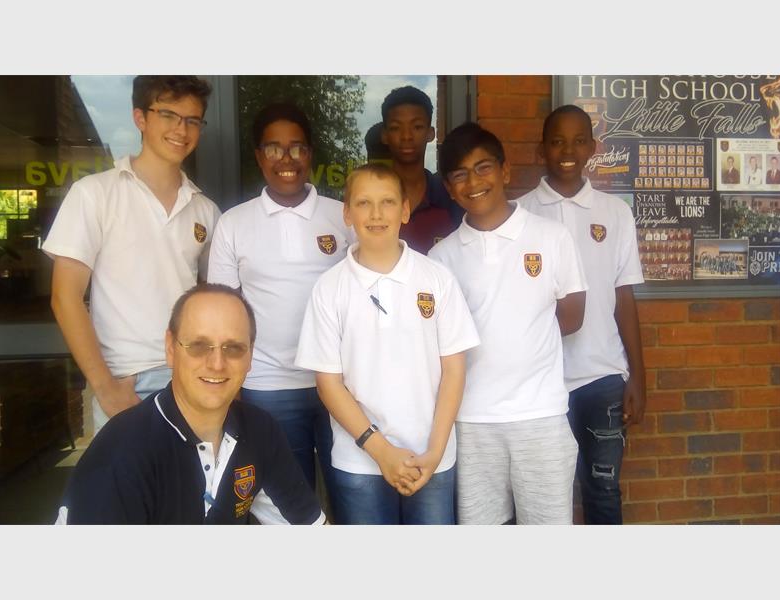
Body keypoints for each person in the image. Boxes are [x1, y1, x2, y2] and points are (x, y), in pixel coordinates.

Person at [295, 163, 479, 524]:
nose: (376, 214)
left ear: (405, 210)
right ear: (347, 213)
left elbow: (454, 371)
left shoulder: (438, 279)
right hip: (360, 461)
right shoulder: (329, 288)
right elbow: (328, 382)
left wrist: (435, 451)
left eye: (388, 202)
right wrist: (381, 452)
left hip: (431, 457)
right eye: (363, 203)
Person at [56, 283, 325, 524]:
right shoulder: (121, 455)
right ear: (170, 349)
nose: (217, 364)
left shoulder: (260, 431)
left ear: (250, 355)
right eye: (198, 346)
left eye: (233, 348)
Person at [43, 76, 221, 434]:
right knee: (126, 474)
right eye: (168, 115)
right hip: (128, 381)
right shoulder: (94, 194)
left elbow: (215, 297)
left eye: (192, 120)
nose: (181, 129)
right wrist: (105, 387)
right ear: (140, 118)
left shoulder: (205, 210)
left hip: (194, 375)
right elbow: (65, 297)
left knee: (197, 474)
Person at [429, 123, 586, 525]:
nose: (473, 182)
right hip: (471, 419)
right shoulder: (442, 258)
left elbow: (571, 315)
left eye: (483, 168)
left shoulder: (551, 237)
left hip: (540, 415)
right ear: (449, 188)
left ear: (505, 171)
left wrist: (522, 337)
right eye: (460, 174)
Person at [207, 103, 352, 501]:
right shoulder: (233, 223)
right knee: (290, 504)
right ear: (258, 156)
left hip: (341, 382)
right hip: (268, 386)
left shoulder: (344, 217)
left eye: (297, 148)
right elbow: (223, 314)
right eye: (273, 149)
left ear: (310, 154)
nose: (286, 159)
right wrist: (232, 386)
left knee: (352, 495)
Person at [519, 105, 646, 525]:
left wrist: (637, 376)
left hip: (602, 379)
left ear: (594, 147)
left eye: (578, 141)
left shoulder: (615, 213)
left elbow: (624, 296)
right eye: (557, 141)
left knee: (603, 490)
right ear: (541, 150)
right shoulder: (519, 214)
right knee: (538, 495)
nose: (568, 151)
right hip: (538, 382)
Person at [381, 85, 463, 254]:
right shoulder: (370, 197)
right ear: (385, 136)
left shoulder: (451, 196)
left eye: (417, 127)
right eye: (396, 128)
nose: (406, 136)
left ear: (430, 133)